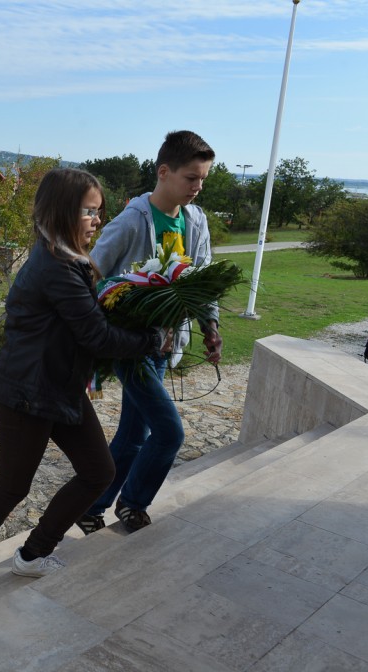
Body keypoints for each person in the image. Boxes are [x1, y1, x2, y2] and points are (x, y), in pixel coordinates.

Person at [0, 168, 169, 591]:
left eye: (99, 211)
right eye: (89, 211)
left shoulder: (68, 260)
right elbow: (96, 335)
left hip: (59, 388)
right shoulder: (57, 267)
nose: (97, 220)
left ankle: (33, 554)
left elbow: (88, 327)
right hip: (25, 394)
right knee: (13, 485)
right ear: (63, 211)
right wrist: (151, 338)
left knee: (98, 472)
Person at [79, 130, 222, 535]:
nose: (198, 187)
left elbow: (202, 280)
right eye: (191, 178)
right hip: (131, 346)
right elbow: (92, 274)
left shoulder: (196, 220)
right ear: (164, 172)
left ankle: (92, 507)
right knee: (169, 432)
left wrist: (210, 327)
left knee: (135, 431)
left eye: (203, 179)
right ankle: (133, 502)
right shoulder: (131, 220)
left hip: (165, 345)